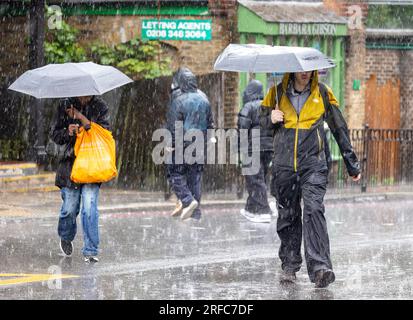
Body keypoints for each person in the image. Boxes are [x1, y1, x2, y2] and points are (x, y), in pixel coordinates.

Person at [260, 70, 361, 288]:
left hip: (313, 165)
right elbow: (259, 125)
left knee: (314, 209)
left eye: (309, 69)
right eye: (301, 69)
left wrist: (351, 162)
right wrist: (270, 118)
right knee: (288, 215)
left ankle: (320, 268)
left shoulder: (323, 93)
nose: (305, 73)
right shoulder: (275, 94)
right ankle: (289, 265)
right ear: (293, 70)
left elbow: (339, 127)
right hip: (284, 167)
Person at [50, 95, 110, 263]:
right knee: (69, 208)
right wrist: (68, 132)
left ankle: (91, 250)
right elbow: (55, 134)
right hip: (71, 165)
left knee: (89, 207)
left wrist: (80, 116)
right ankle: (66, 236)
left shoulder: (100, 106)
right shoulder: (64, 104)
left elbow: (104, 132)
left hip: (92, 165)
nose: (85, 96)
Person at [166, 67, 214, 221]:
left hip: (182, 144)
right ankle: (196, 213)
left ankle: (187, 200)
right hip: (200, 144)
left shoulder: (178, 101)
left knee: (174, 173)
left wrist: (171, 144)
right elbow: (210, 124)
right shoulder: (205, 99)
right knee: (195, 178)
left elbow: (174, 126)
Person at [237, 79, 274, 223]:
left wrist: (241, 147)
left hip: (253, 148)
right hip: (268, 148)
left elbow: (242, 129)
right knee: (260, 178)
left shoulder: (248, 107)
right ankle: (250, 208)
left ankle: (263, 211)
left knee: (254, 179)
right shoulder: (268, 107)